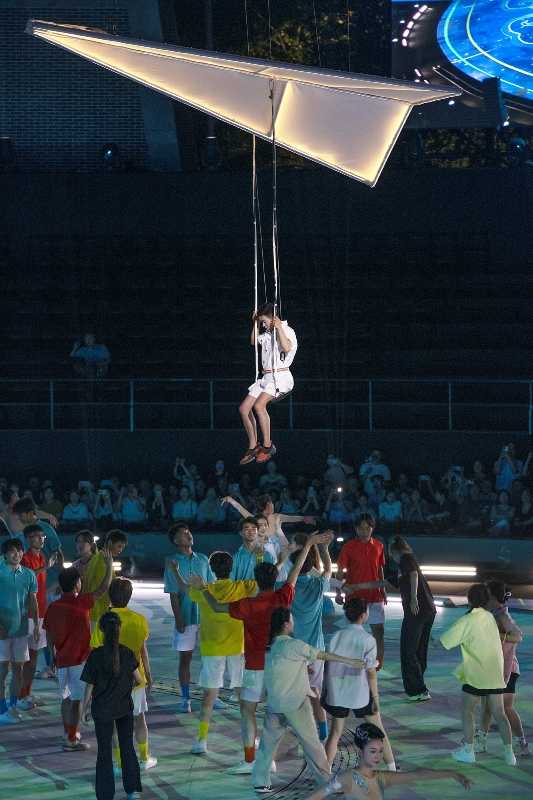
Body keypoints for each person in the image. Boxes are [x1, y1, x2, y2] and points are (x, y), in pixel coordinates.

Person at [200, 531, 332, 775]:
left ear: (256, 580)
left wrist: (203, 589)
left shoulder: (247, 604)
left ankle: (251, 759)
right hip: (279, 665)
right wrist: (308, 546)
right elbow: (294, 572)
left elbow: (217, 606)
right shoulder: (283, 597)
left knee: (248, 712)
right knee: (281, 714)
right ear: (275, 579)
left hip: (254, 665)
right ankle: (288, 758)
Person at [252, 607, 366, 794]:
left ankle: (260, 781)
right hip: (296, 704)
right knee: (313, 745)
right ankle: (326, 782)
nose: (293, 622)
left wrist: (303, 669)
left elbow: (282, 668)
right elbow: (323, 655)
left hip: (275, 704)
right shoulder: (294, 645)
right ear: (286, 624)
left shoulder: (272, 647)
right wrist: (352, 662)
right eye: (291, 620)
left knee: (267, 745)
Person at [169, 550, 257, 754]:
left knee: (209, 696)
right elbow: (261, 581)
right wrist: (262, 557)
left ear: (211, 569)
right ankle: (252, 738)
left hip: (212, 648)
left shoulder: (204, 589)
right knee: (243, 697)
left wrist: (176, 571)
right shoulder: (241, 587)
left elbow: (184, 588)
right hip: (237, 647)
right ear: (232, 568)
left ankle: (201, 740)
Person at [345, 536, 436, 701]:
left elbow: (414, 574)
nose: (391, 557)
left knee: (408, 651)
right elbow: (382, 583)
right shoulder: (403, 568)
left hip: (417, 611)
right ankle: (418, 684)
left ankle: (417, 690)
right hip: (427, 610)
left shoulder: (406, 559)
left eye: (391, 554)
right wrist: (357, 586)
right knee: (418, 649)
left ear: (394, 551)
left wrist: (413, 598)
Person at [438, 583, 516, 765]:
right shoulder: (490, 617)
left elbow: (445, 641)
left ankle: (468, 751)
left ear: (470, 599)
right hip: (494, 674)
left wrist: (432, 641)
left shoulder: (468, 619)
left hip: (476, 675)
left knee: (468, 711)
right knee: (500, 714)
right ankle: (509, 754)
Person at [44, 557, 113, 750]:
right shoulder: (82, 602)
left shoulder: (53, 607)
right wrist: (109, 566)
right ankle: (72, 739)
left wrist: (51, 658)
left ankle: (67, 732)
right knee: (77, 700)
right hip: (79, 661)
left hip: (60, 660)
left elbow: (49, 635)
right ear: (77, 585)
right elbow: (103, 588)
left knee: (65, 698)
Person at [321, 598, 395, 770]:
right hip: (359, 692)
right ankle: (392, 768)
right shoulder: (368, 639)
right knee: (378, 729)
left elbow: (328, 664)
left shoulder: (336, 636)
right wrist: (375, 698)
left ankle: (325, 771)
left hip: (337, 691)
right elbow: (371, 673)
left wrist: (326, 689)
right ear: (364, 615)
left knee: (335, 733)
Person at [305, 723, 472, 800]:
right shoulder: (347, 778)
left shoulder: (381, 777)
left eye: (380, 751)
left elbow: (418, 775)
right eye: (372, 751)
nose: (378, 756)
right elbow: (315, 796)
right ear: (360, 751)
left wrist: (453, 774)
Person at [91, 578, 157, 772]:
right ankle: (144, 757)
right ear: (129, 596)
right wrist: (148, 674)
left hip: (110, 682)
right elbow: (143, 650)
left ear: (109, 596)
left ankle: (119, 762)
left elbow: (96, 651)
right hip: (135, 679)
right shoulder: (139, 620)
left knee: (112, 723)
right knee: (139, 718)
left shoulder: (104, 620)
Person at [81, 612, 142, 800]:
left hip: (102, 709)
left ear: (101, 630)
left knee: (104, 752)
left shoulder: (95, 655)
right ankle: (132, 790)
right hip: (124, 707)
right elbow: (139, 680)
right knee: (127, 747)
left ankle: (105, 795)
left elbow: (89, 686)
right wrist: (125, 688)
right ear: (119, 629)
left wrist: (84, 709)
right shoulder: (127, 653)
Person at [163, 523, 214, 713]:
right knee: (185, 658)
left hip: (206, 616)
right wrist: (178, 619)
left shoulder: (203, 559)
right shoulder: (171, 561)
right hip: (186, 616)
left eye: (189, 531)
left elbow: (211, 587)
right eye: (184, 533)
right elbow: (173, 593)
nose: (189, 534)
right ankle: (185, 698)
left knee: (211, 658)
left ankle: (212, 695)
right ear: (176, 540)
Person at [239, 302, 298, 465]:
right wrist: (256, 323)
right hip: (266, 378)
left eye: (264, 322)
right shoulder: (267, 333)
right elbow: (253, 342)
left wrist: (279, 328)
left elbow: (287, 348)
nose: (263, 325)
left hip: (280, 377)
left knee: (259, 406)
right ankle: (253, 446)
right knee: (244, 409)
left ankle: (267, 446)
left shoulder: (287, 330)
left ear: (273, 319)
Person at [475, 580, 528, 757]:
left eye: (485, 593)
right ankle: (481, 742)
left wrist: (496, 635)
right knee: (486, 707)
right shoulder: (489, 613)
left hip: (507, 669)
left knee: (505, 708)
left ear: (491, 596)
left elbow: (518, 635)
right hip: (493, 668)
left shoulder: (502, 615)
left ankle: (521, 743)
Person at [289, 533, 333, 741]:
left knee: (295, 690)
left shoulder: (288, 588)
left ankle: (299, 727)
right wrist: (324, 549)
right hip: (315, 648)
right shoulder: (318, 585)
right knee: (315, 689)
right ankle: (322, 728)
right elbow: (328, 570)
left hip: (294, 649)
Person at [335, 513, 387, 671]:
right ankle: (351, 662)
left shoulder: (379, 545)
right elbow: (340, 572)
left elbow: (380, 569)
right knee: (353, 632)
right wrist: (338, 592)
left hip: (375, 595)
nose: (364, 531)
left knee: (378, 631)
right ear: (356, 529)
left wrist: (383, 589)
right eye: (361, 528)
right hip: (354, 597)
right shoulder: (348, 547)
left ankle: (377, 664)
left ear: (372, 528)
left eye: (367, 528)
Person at [18, 524, 58, 709]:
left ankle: (26, 694)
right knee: (23, 658)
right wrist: (44, 568)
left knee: (33, 658)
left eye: (43, 536)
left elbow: (39, 588)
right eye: (36, 536)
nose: (41, 539)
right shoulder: (24, 558)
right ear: (28, 539)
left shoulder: (41, 557)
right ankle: (19, 696)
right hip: (26, 615)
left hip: (40, 613)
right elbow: (26, 579)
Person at [0, 538, 38, 725]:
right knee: (2, 671)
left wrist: (36, 625)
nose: (17, 554)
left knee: (18, 670)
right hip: (2, 631)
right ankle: (2, 709)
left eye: (19, 551)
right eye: (12, 551)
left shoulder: (29, 574)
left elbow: (33, 601)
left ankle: (13, 706)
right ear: (5, 554)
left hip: (21, 630)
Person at [84, 531, 128, 628]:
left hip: (97, 610)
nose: (120, 550)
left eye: (122, 547)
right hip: (96, 613)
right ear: (110, 543)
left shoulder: (101, 558)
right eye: (119, 546)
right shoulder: (102, 561)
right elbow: (104, 588)